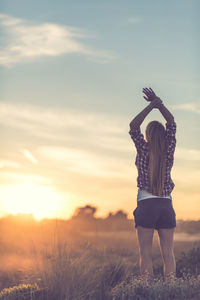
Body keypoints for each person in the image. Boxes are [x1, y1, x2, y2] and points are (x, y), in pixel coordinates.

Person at [129, 87, 177, 282]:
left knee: (146, 254)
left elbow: (133, 126)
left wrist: (151, 106)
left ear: (147, 134)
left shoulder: (143, 147)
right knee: (169, 253)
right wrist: (159, 104)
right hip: (166, 205)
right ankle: (172, 289)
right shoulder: (169, 149)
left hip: (146, 205)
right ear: (164, 135)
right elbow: (172, 122)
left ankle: (148, 291)